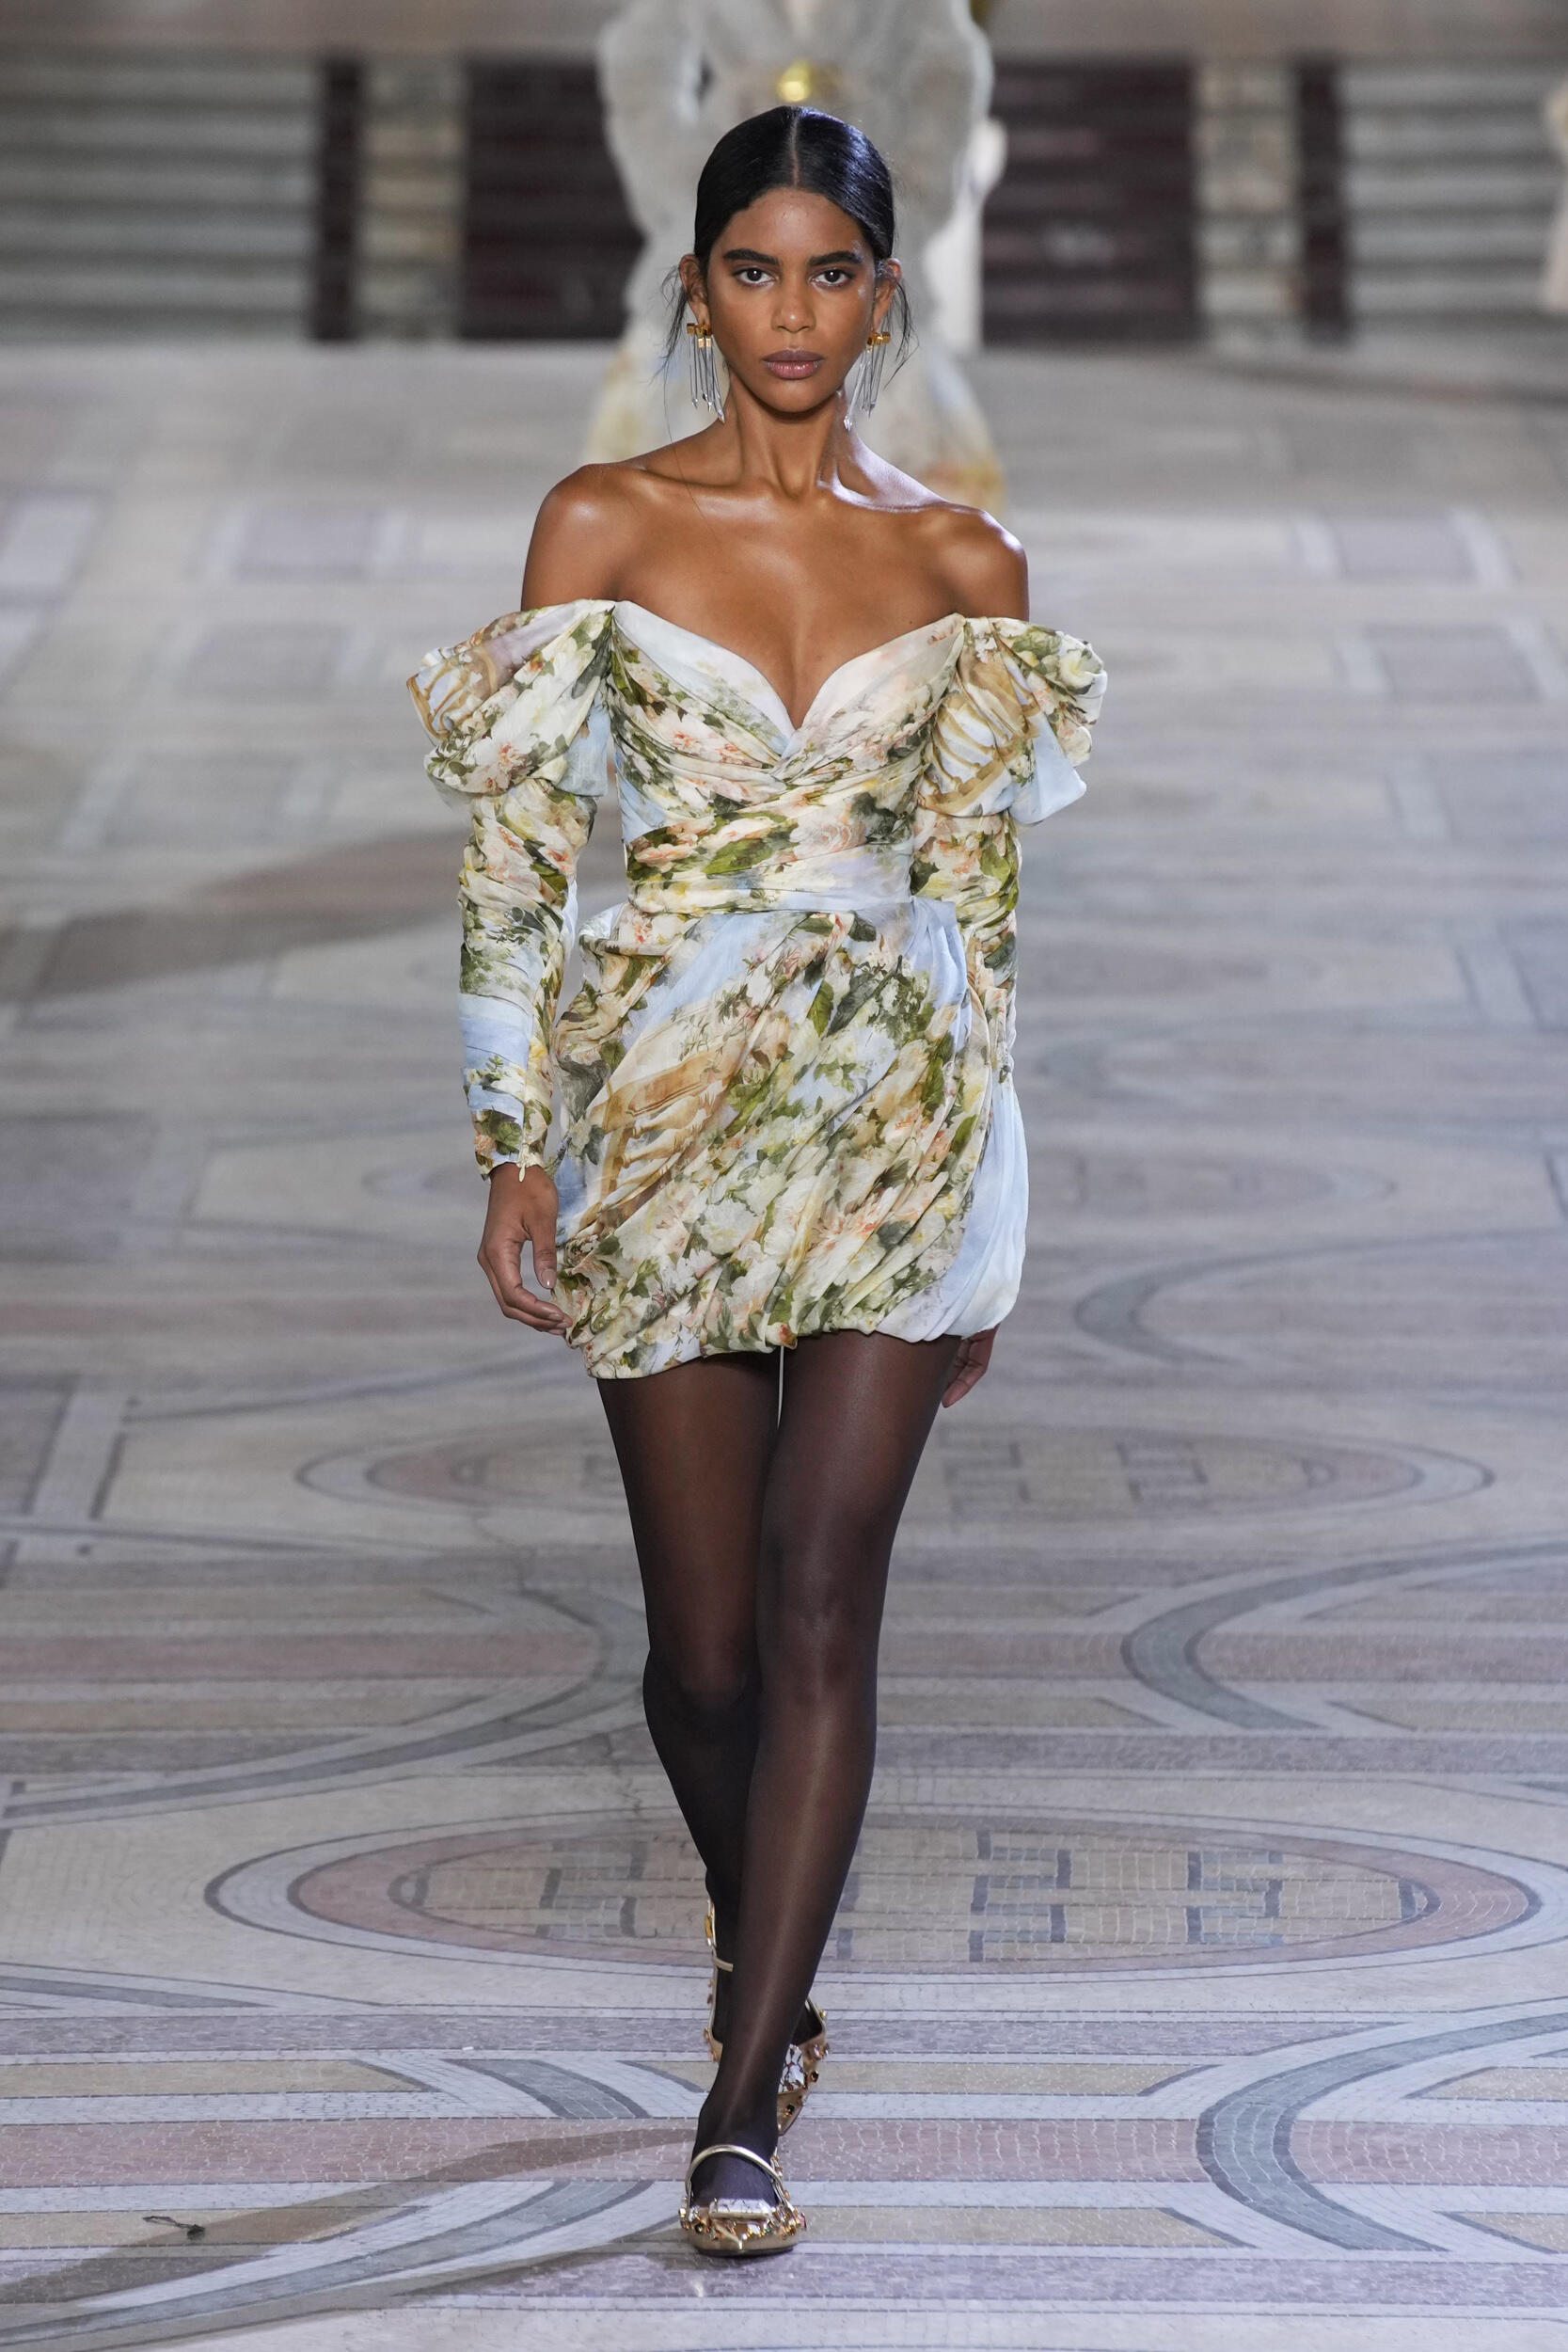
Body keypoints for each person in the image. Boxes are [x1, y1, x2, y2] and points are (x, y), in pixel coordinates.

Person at [409, 104, 1104, 2259]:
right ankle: (768, 1957)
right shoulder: (603, 523)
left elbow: (984, 925)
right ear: (697, 288)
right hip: (666, 1111)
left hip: (903, 1119)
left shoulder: (967, 565)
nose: (792, 312)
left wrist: (1000, 1218)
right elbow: (520, 860)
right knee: (701, 1653)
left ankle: (737, 2106)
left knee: (819, 1599)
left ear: (886, 296)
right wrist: (511, 1138)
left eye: (832, 272)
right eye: (753, 269)